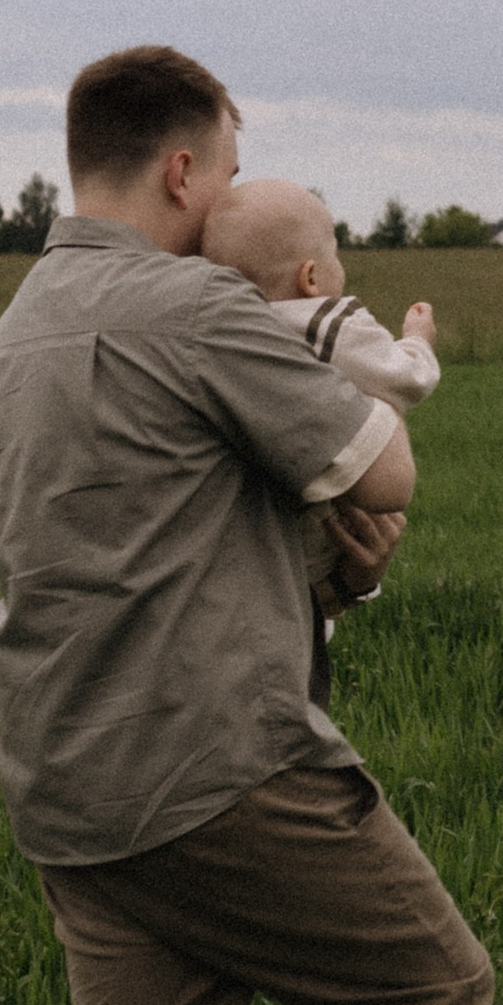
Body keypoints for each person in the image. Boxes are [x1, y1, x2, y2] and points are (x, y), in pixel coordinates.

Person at [0, 45, 495, 1005]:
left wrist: (320, 564)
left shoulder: (17, 328)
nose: (241, 202)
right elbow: (385, 463)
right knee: (434, 995)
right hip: (217, 770)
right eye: (236, 171)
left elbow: (151, 536)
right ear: (185, 169)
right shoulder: (192, 307)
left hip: (71, 789)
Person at [201, 176, 442, 708]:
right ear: (311, 276)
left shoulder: (216, 330)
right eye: (335, 257)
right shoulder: (327, 321)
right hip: (319, 518)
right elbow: (404, 381)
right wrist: (417, 343)